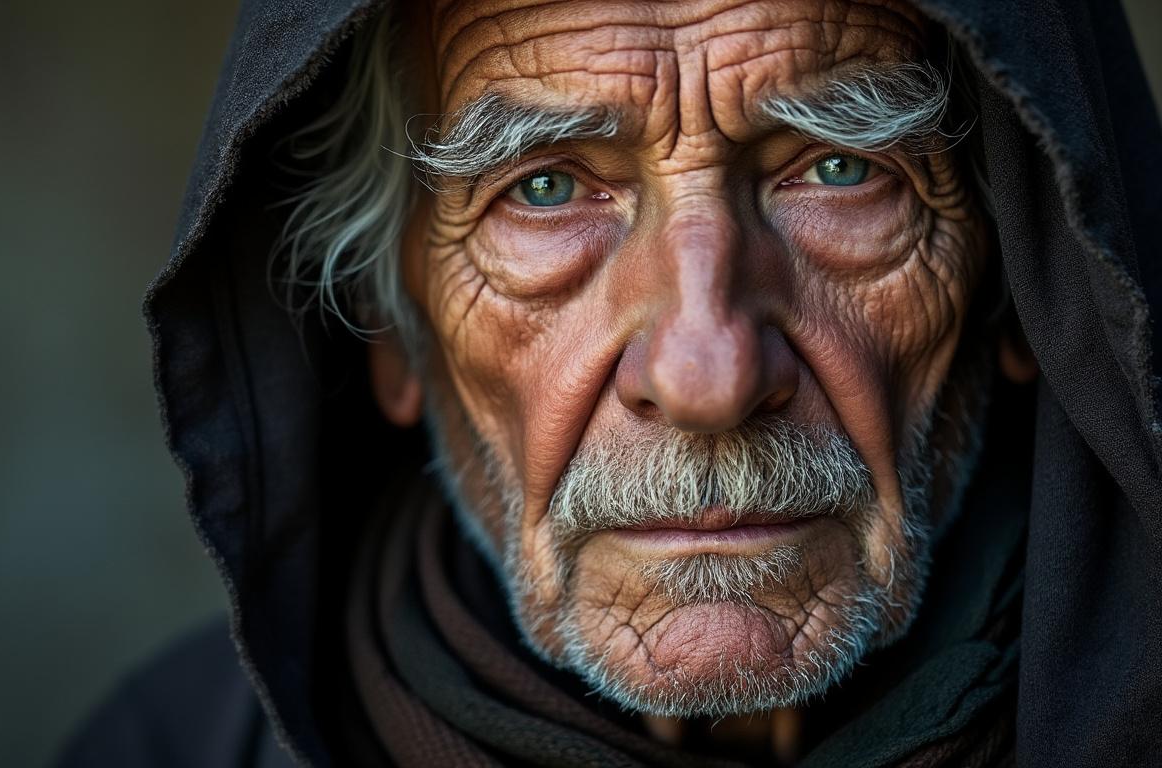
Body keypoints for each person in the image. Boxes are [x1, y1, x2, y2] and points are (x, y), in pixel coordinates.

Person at [60, 1, 1162, 765]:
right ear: (392, 332)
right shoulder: (168, 751)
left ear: (1024, 274)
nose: (709, 375)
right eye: (542, 188)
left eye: (840, 168)